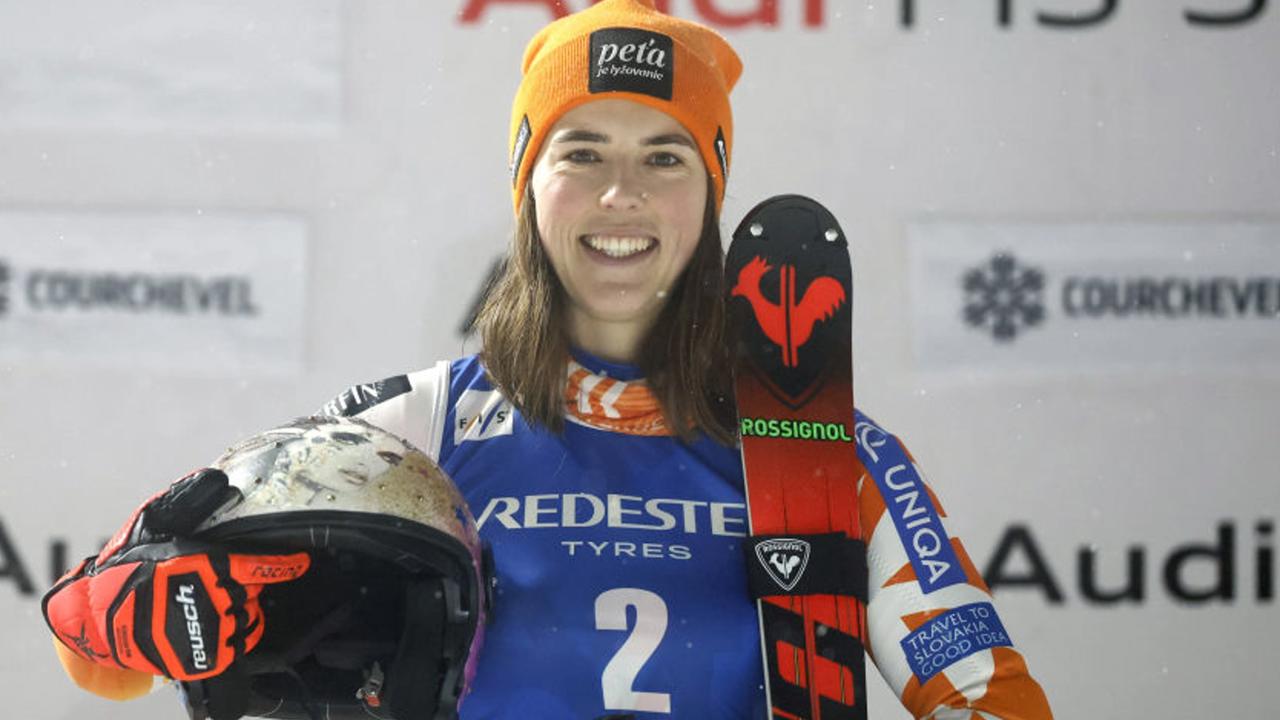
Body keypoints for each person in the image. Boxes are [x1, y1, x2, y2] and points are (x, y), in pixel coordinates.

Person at [44, 1, 1054, 718]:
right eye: (581, 152)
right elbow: (99, 653)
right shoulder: (410, 427)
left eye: (665, 156)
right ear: (528, 183)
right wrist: (131, 607)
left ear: (710, 197)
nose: (622, 194)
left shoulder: (823, 451)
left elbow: (988, 697)